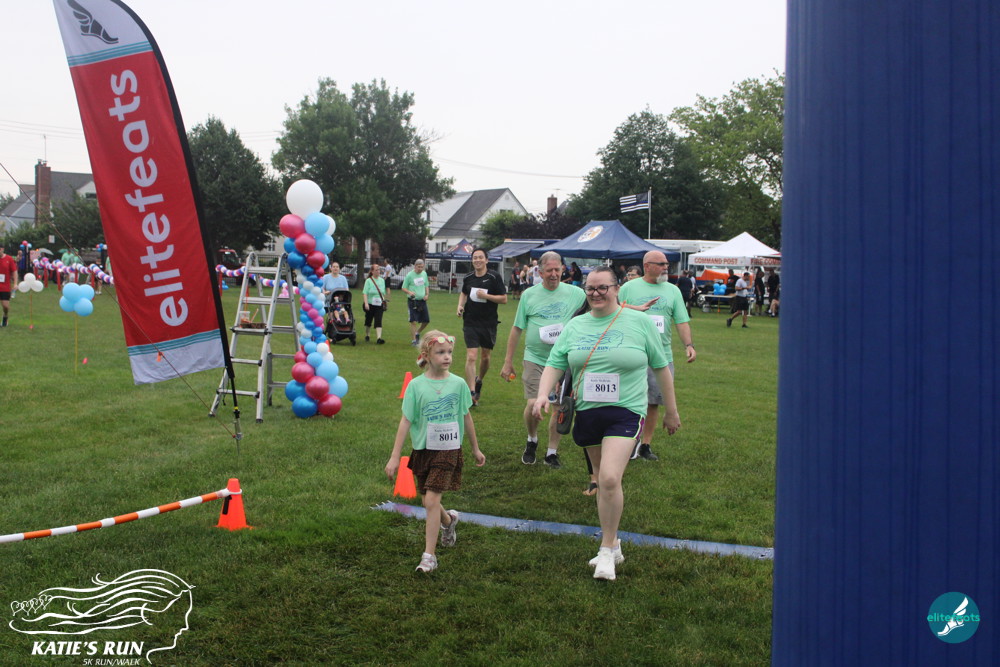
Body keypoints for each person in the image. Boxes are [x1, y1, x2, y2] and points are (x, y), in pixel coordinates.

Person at [533, 267, 680, 580]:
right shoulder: (576, 325)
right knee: (602, 480)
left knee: (611, 478)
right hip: (588, 411)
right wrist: (543, 394)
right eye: (590, 288)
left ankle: (605, 549)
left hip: (627, 410)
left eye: (603, 287)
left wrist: (671, 410)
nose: (596, 293)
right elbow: (555, 363)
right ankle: (614, 545)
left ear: (616, 289)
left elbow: (661, 368)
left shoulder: (639, 323)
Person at [385, 331, 486, 573]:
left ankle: (429, 556)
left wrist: (475, 448)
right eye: (440, 352)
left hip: (449, 449)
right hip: (424, 449)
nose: (447, 357)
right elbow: (406, 421)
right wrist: (395, 456)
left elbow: (466, 416)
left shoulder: (459, 384)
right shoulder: (416, 386)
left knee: (431, 500)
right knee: (427, 500)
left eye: (449, 352)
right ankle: (449, 521)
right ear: (427, 355)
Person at [500, 251, 586, 468]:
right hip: (535, 358)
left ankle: (551, 453)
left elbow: (601, 306)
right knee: (533, 403)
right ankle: (532, 439)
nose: (554, 274)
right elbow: (517, 328)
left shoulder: (577, 293)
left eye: (558, 270)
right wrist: (508, 361)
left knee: (558, 408)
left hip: (564, 361)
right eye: (549, 270)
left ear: (563, 270)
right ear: (539, 272)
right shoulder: (529, 295)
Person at [619, 251, 696, 461]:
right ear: (647, 266)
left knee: (653, 402)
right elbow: (614, 311)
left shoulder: (673, 290)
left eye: (666, 264)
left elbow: (681, 321)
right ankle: (627, 441)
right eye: (661, 264)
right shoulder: (628, 288)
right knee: (628, 400)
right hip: (632, 353)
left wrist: (688, 345)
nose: (665, 267)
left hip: (661, 356)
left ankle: (645, 445)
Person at [456, 248, 507, 406]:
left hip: (488, 323)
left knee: (485, 357)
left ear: (486, 260)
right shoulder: (468, 277)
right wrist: (460, 305)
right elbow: (464, 293)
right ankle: (472, 392)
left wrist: (486, 296)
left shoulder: (494, 277)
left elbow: (504, 299)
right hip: (470, 322)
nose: (477, 260)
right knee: (471, 356)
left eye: (480, 257)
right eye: (475, 258)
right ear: (472, 260)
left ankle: (479, 380)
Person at [401, 259, 431, 346]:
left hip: (422, 301)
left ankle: (417, 332)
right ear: (415, 266)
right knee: (413, 321)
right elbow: (403, 288)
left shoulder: (424, 274)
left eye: (422, 267)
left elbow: (426, 285)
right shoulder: (409, 275)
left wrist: (427, 294)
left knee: (426, 320)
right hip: (413, 301)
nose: (420, 269)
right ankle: (414, 340)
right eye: (419, 267)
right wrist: (409, 292)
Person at [362, 264, 389, 343]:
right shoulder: (368, 281)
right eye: (376, 270)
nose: (378, 271)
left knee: (378, 320)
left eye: (379, 270)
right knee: (368, 321)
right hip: (370, 304)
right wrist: (366, 303)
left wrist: (384, 301)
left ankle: (378, 338)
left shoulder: (382, 281)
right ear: (372, 271)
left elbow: (383, 292)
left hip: (379, 304)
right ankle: (367, 335)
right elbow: (365, 293)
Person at [0, 245, 19, 327]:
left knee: (5, 306)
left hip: (5, 286)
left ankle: (5, 316)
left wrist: (15, 283)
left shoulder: (9, 259)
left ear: (2, 249)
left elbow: (14, 272)